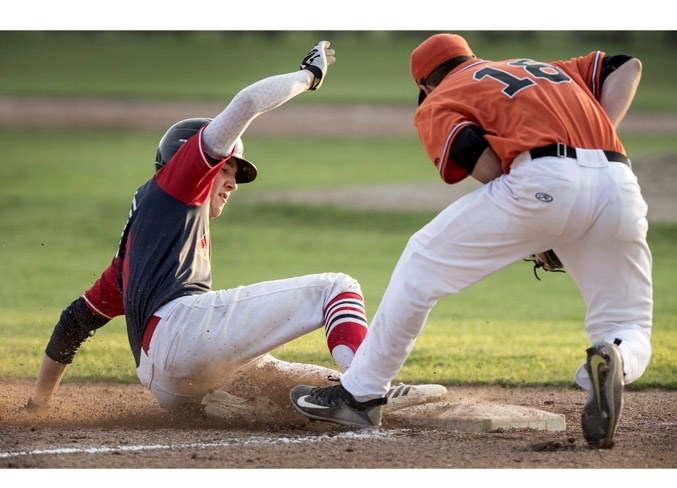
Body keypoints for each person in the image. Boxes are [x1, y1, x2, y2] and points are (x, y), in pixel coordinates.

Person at [17, 41, 446, 421]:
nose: (231, 183)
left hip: (168, 384)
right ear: (190, 163)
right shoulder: (177, 181)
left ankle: (336, 393)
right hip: (183, 334)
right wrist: (308, 76)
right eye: (228, 170)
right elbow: (245, 104)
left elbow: (73, 321)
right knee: (337, 288)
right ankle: (363, 392)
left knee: (289, 382)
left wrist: (39, 403)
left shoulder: (134, 258)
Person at [290, 33, 652, 449]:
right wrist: (596, 136)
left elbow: (487, 165)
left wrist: (537, 228)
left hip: (545, 182)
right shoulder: (542, 68)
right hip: (619, 183)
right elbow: (626, 65)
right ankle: (617, 358)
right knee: (626, 321)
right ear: (470, 57)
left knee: (421, 261)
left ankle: (360, 394)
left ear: (425, 84)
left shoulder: (441, 97)